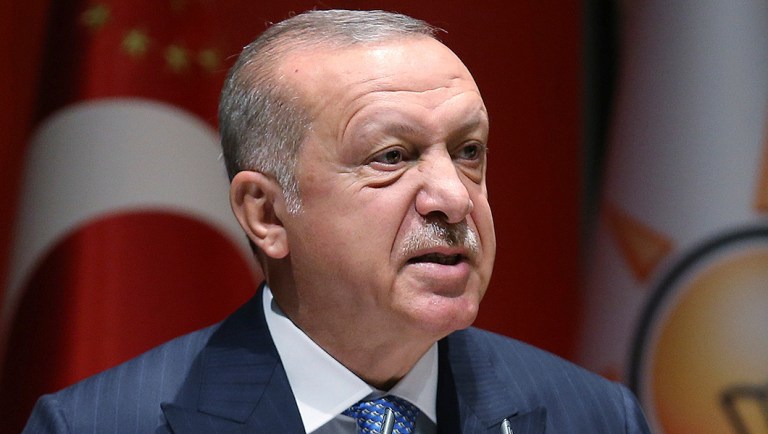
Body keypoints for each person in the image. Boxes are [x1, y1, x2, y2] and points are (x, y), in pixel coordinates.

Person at [23, 9, 650, 434]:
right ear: (265, 214)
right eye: (392, 157)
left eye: (468, 152)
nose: (453, 199)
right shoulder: (100, 424)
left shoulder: (593, 416)